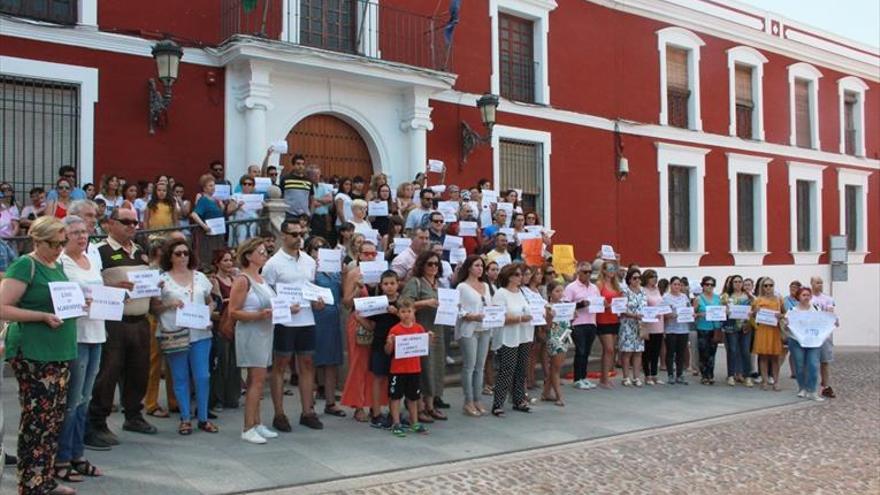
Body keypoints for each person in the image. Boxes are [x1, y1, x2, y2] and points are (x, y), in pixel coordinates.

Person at [0, 216, 79, 495]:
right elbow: (3, 307)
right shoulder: (26, 265)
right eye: (53, 244)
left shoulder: (55, 264)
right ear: (37, 240)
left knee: (53, 419)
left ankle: (44, 479)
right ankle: (30, 484)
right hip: (34, 353)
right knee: (37, 421)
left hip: (58, 351)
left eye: (62, 243)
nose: (59, 248)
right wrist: (41, 316)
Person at [86, 208, 157, 450]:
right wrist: (112, 286)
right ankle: (97, 421)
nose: (131, 226)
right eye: (125, 222)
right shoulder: (99, 252)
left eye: (135, 222)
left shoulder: (140, 252)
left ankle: (133, 415)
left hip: (140, 320)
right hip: (114, 322)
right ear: (110, 224)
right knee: (109, 372)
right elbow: (91, 283)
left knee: (139, 371)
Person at [262, 219, 325, 431]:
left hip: (307, 319)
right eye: (295, 234)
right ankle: (279, 414)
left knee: (307, 363)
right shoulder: (272, 264)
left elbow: (312, 288)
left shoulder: (309, 261)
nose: (299, 238)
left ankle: (308, 411)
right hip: (285, 321)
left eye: (301, 234)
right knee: (281, 365)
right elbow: (266, 294)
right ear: (283, 236)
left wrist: (318, 301)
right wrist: (285, 306)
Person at [56, 216, 106, 483]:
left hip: (97, 332)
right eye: (74, 232)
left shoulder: (91, 260)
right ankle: (62, 457)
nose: (81, 236)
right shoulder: (61, 261)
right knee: (72, 401)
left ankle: (78, 454)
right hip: (76, 335)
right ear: (64, 236)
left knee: (85, 399)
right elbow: (60, 298)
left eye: (84, 232)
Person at [152, 239, 218, 435]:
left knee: (202, 376)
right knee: (180, 377)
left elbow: (211, 300)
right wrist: (168, 304)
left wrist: (208, 312)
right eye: (178, 253)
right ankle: (185, 417)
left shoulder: (199, 277)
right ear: (169, 257)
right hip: (175, 332)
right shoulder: (163, 280)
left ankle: (204, 417)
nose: (182, 257)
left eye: (185, 253)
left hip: (200, 332)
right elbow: (154, 308)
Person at [228, 239, 278, 444]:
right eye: (260, 252)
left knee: (258, 379)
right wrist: (259, 315)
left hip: (265, 331)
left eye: (265, 251)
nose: (264, 254)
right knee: (256, 380)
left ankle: (257, 422)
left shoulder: (261, 278)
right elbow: (233, 312)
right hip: (251, 333)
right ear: (249, 256)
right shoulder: (243, 280)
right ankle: (248, 426)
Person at [401, 251, 448, 422]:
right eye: (430, 264)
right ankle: (418, 407)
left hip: (438, 328)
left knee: (436, 366)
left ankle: (430, 405)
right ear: (422, 265)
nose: (434, 267)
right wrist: (425, 303)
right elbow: (404, 303)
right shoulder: (416, 282)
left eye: (436, 264)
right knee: (422, 367)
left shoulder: (440, 283)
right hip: (421, 329)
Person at [304, 237, 346, 417]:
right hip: (316, 318)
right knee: (312, 361)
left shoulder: (336, 272)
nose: (319, 251)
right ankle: (309, 402)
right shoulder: (310, 271)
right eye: (315, 248)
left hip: (333, 318)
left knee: (331, 362)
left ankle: (330, 402)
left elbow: (343, 293)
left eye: (323, 248)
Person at [357, 270, 400, 428]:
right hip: (379, 344)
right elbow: (367, 321)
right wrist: (359, 318)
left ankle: (393, 412)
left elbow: (410, 319)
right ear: (381, 286)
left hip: (398, 346)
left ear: (398, 284)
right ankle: (375, 413)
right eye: (386, 284)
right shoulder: (378, 303)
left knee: (394, 379)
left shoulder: (402, 302)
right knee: (378, 378)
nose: (389, 287)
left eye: (392, 283)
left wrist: (398, 313)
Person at [490, 264, 533, 416]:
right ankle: (498, 403)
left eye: (521, 275)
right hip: (508, 336)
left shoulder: (522, 292)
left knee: (521, 369)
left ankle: (519, 399)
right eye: (517, 274)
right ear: (509, 276)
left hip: (524, 335)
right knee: (507, 369)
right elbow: (499, 317)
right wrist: (521, 318)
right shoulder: (501, 293)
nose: (520, 277)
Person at [384, 297, 429, 437]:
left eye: (409, 311)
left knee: (413, 397)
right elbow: (387, 351)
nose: (406, 314)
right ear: (398, 313)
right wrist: (389, 343)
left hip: (414, 369)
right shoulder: (395, 329)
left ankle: (414, 422)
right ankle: (396, 423)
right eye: (403, 311)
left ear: (413, 312)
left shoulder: (419, 328)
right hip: (397, 370)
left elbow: (424, 348)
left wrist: (429, 339)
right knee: (395, 397)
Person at [454, 255, 492, 417]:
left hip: (485, 328)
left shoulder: (485, 285)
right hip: (469, 329)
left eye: (482, 266)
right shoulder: (461, 287)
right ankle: (468, 401)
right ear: (469, 267)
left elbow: (489, 305)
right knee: (469, 366)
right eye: (476, 265)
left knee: (480, 367)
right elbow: (457, 307)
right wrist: (469, 315)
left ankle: (477, 399)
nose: (480, 268)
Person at [785, 287, 834, 401]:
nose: (806, 297)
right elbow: (786, 327)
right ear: (798, 297)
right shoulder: (792, 311)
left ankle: (812, 390)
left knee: (813, 365)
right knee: (800, 365)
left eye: (808, 295)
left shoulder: (816, 309)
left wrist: (832, 320)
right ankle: (802, 387)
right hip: (797, 341)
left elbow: (823, 322)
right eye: (803, 295)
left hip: (813, 342)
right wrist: (786, 324)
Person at [563, 261, 601, 390]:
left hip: (591, 322)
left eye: (590, 272)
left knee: (587, 352)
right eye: (585, 272)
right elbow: (566, 306)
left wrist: (603, 304)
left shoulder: (594, 288)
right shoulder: (571, 287)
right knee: (580, 350)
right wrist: (580, 304)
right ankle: (577, 378)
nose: (588, 274)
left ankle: (584, 377)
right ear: (578, 272)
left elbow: (598, 303)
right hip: (578, 323)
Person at [805, 276, 836, 398]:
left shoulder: (828, 299)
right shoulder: (807, 298)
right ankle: (809, 385)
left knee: (825, 361)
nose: (820, 284)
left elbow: (831, 313)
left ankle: (825, 386)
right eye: (817, 282)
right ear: (812, 283)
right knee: (811, 361)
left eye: (821, 282)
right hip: (811, 333)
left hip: (824, 334)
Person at [721, 274, 754, 387]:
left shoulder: (748, 296)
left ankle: (747, 376)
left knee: (745, 352)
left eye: (740, 281)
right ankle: (731, 375)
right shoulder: (726, 296)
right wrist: (725, 311)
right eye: (735, 282)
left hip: (745, 327)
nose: (738, 284)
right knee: (733, 350)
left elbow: (754, 310)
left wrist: (751, 315)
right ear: (731, 283)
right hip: (731, 327)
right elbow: (721, 311)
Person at [752, 277, 784, 391]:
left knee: (775, 357)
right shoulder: (758, 300)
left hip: (774, 330)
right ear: (762, 287)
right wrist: (755, 313)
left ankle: (776, 382)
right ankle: (764, 381)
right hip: (762, 330)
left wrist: (780, 316)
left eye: (770, 285)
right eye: (765, 285)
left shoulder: (779, 299)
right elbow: (752, 316)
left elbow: (785, 313)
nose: (768, 287)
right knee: (763, 357)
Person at [595, 260, 621, 388]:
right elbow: (595, 300)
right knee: (609, 348)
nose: (612, 271)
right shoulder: (600, 284)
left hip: (614, 319)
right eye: (609, 269)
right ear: (604, 270)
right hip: (603, 319)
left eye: (613, 269)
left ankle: (605, 377)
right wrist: (603, 304)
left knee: (610, 351)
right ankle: (603, 379)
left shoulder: (616, 285)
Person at [618, 268, 646, 387]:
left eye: (639, 278)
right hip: (628, 324)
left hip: (640, 325)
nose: (637, 280)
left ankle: (636, 377)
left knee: (638, 351)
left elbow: (646, 306)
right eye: (635, 278)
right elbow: (621, 309)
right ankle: (625, 377)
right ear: (629, 279)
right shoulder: (625, 292)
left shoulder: (643, 291)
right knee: (627, 352)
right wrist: (634, 315)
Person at [544, 281, 570, 406]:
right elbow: (547, 327)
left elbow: (567, 321)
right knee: (556, 368)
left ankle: (546, 392)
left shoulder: (564, 305)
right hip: (554, 338)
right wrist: (549, 317)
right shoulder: (548, 307)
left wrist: (573, 315)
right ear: (550, 293)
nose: (560, 294)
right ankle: (559, 395)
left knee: (555, 367)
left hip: (564, 337)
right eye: (557, 291)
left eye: (561, 291)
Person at [693, 276, 722, 385]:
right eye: (707, 284)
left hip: (715, 327)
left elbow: (722, 310)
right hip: (703, 327)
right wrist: (700, 314)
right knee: (703, 352)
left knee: (712, 352)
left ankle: (711, 374)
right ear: (703, 286)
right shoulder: (698, 299)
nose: (709, 287)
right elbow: (693, 314)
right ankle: (704, 375)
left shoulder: (717, 298)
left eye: (711, 285)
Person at [663, 277, 691, 385]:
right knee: (670, 352)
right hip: (671, 329)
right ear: (670, 285)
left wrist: (690, 314)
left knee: (681, 352)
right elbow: (663, 313)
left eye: (679, 284)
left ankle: (680, 374)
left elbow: (688, 308)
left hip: (683, 329)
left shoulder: (684, 297)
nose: (677, 286)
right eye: (675, 284)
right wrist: (669, 314)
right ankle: (670, 374)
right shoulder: (666, 297)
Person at [641, 270, 665, 385]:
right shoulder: (643, 291)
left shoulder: (657, 290)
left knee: (656, 350)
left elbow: (660, 303)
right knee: (647, 351)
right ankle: (647, 375)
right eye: (652, 277)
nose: (654, 279)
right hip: (649, 323)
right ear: (646, 278)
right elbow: (643, 307)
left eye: (655, 276)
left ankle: (655, 374)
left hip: (659, 323)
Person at [229, 175, 261, 248]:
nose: (247, 186)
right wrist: (237, 207)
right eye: (244, 184)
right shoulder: (236, 196)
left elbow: (258, 213)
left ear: (253, 186)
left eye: (249, 184)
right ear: (241, 185)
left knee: (252, 245)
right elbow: (229, 211)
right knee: (241, 244)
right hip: (240, 225)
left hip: (253, 225)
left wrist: (262, 207)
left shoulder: (256, 197)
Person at [280, 154, 314, 218]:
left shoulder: (309, 181)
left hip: (304, 216)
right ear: (293, 165)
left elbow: (312, 199)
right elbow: (280, 196)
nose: (301, 166)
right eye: (298, 164)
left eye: (302, 164)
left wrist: (310, 214)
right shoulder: (286, 179)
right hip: (289, 214)